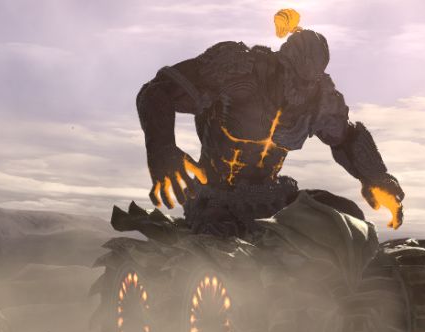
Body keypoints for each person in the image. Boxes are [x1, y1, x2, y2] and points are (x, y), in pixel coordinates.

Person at [136, 8, 406, 236]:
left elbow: (346, 138)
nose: (300, 89)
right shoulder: (241, 71)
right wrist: (162, 149)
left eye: (308, 82)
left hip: (273, 199)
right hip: (217, 198)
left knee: (348, 220)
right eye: (295, 77)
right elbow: (157, 91)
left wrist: (376, 177)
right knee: (226, 245)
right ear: (283, 62)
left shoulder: (317, 96)